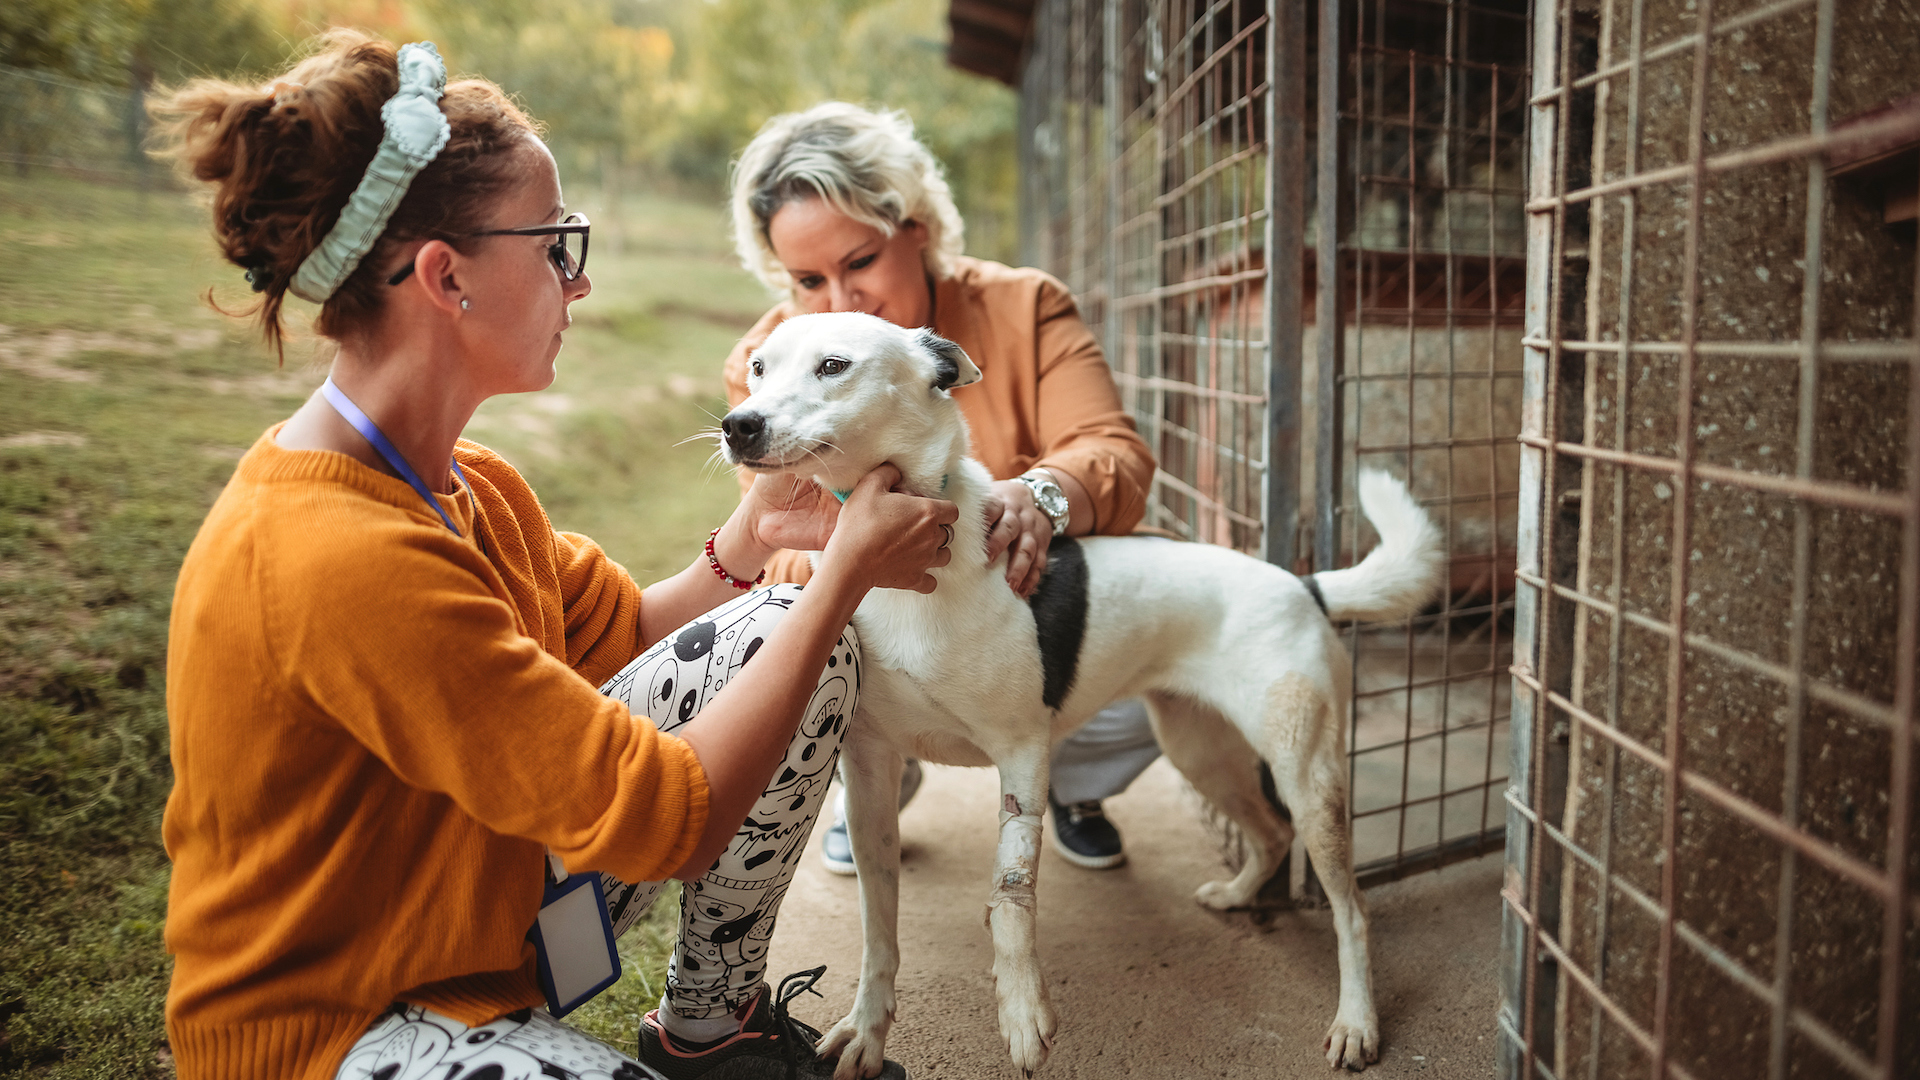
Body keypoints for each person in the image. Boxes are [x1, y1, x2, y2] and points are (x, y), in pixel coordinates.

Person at [154, 34, 956, 1080]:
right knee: (803, 632)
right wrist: (841, 575)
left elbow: (619, 633)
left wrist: (757, 536)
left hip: (469, 923)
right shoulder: (332, 554)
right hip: (339, 1022)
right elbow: (671, 817)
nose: (577, 285)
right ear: (447, 278)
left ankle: (711, 1031)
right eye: (554, 247)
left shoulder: (466, 479)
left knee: (771, 633)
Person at [722, 103, 1163, 873]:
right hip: (881, 632)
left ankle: (1071, 781)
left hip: (1030, 619)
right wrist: (858, 549)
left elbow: (1113, 452)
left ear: (915, 225)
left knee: (1160, 633)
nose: (838, 301)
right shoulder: (765, 362)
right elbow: (777, 551)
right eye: (807, 279)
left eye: (859, 262)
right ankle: (880, 762)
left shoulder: (1026, 306)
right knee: (783, 632)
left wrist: (1046, 495)